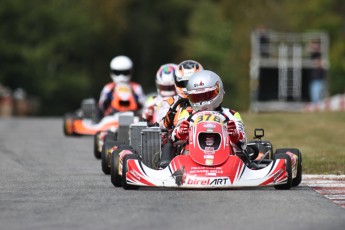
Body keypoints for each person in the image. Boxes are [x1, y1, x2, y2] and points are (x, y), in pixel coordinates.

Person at [172, 70, 247, 154]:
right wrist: (180, 133)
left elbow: (243, 144)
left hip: (225, 158)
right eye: (196, 97)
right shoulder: (186, 113)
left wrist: (235, 135)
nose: (202, 102)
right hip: (191, 158)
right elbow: (174, 139)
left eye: (206, 95)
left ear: (218, 90)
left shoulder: (232, 115)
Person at [159, 60, 204, 129]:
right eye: (184, 83)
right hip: (177, 137)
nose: (188, 87)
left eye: (192, 83)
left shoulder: (208, 100)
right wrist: (168, 119)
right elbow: (161, 125)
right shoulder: (170, 102)